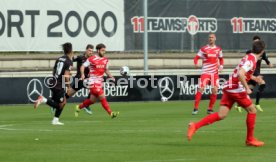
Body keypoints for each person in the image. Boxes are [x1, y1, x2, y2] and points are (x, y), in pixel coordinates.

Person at [187, 40, 266, 147]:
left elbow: (243, 72)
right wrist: (247, 88)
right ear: (262, 51)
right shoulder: (252, 60)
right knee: (252, 110)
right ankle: (250, 139)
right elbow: (240, 74)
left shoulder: (249, 57)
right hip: (235, 88)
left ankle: (194, 126)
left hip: (228, 86)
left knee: (221, 114)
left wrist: (254, 78)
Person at [75, 43, 119, 118]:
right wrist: (82, 74)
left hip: (100, 82)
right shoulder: (91, 59)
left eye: (104, 50)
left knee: (92, 100)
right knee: (101, 95)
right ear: (98, 50)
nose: (104, 52)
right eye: (102, 50)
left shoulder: (105, 60)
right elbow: (82, 66)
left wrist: (111, 77)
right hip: (92, 81)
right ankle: (111, 113)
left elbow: (105, 70)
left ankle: (79, 107)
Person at [34, 42, 74, 125]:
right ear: (71, 51)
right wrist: (69, 86)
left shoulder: (59, 59)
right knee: (60, 104)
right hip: (59, 85)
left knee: (63, 102)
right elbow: (66, 76)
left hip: (53, 82)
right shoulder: (69, 61)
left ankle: (55, 120)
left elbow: (54, 71)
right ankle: (42, 99)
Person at [235, 36, 273, 112]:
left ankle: (238, 104)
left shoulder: (262, 52)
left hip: (256, 72)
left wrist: (269, 63)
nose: (256, 43)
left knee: (250, 89)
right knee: (262, 83)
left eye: (258, 42)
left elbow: (266, 59)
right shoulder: (250, 53)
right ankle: (257, 104)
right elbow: (245, 63)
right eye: (255, 42)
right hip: (252, 72)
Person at [192, 33, 224, 115]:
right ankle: (195, 108)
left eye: (212, 37)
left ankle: (210, 109)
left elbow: (221, 59)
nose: (210, 39)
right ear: (208, 39)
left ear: (215, 38)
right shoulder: (203, 49)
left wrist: (221, 66)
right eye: (209, 37)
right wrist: (195, 63)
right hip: (205, 72)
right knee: (201, 89)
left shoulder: (218, 49)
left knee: (215, 90)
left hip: (214, 73)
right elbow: (196, 58)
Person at [65, 44, 94, 114]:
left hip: (85, 79)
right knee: (93, 88)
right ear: (86, 50)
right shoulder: (80, 57)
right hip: (79, 78)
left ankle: (57, 102)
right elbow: (69, 59)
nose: (91, 52)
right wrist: (68, 69)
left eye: (92, 51)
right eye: (89, 50)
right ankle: (86, 105)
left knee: (70, 93)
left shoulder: (92, 59)